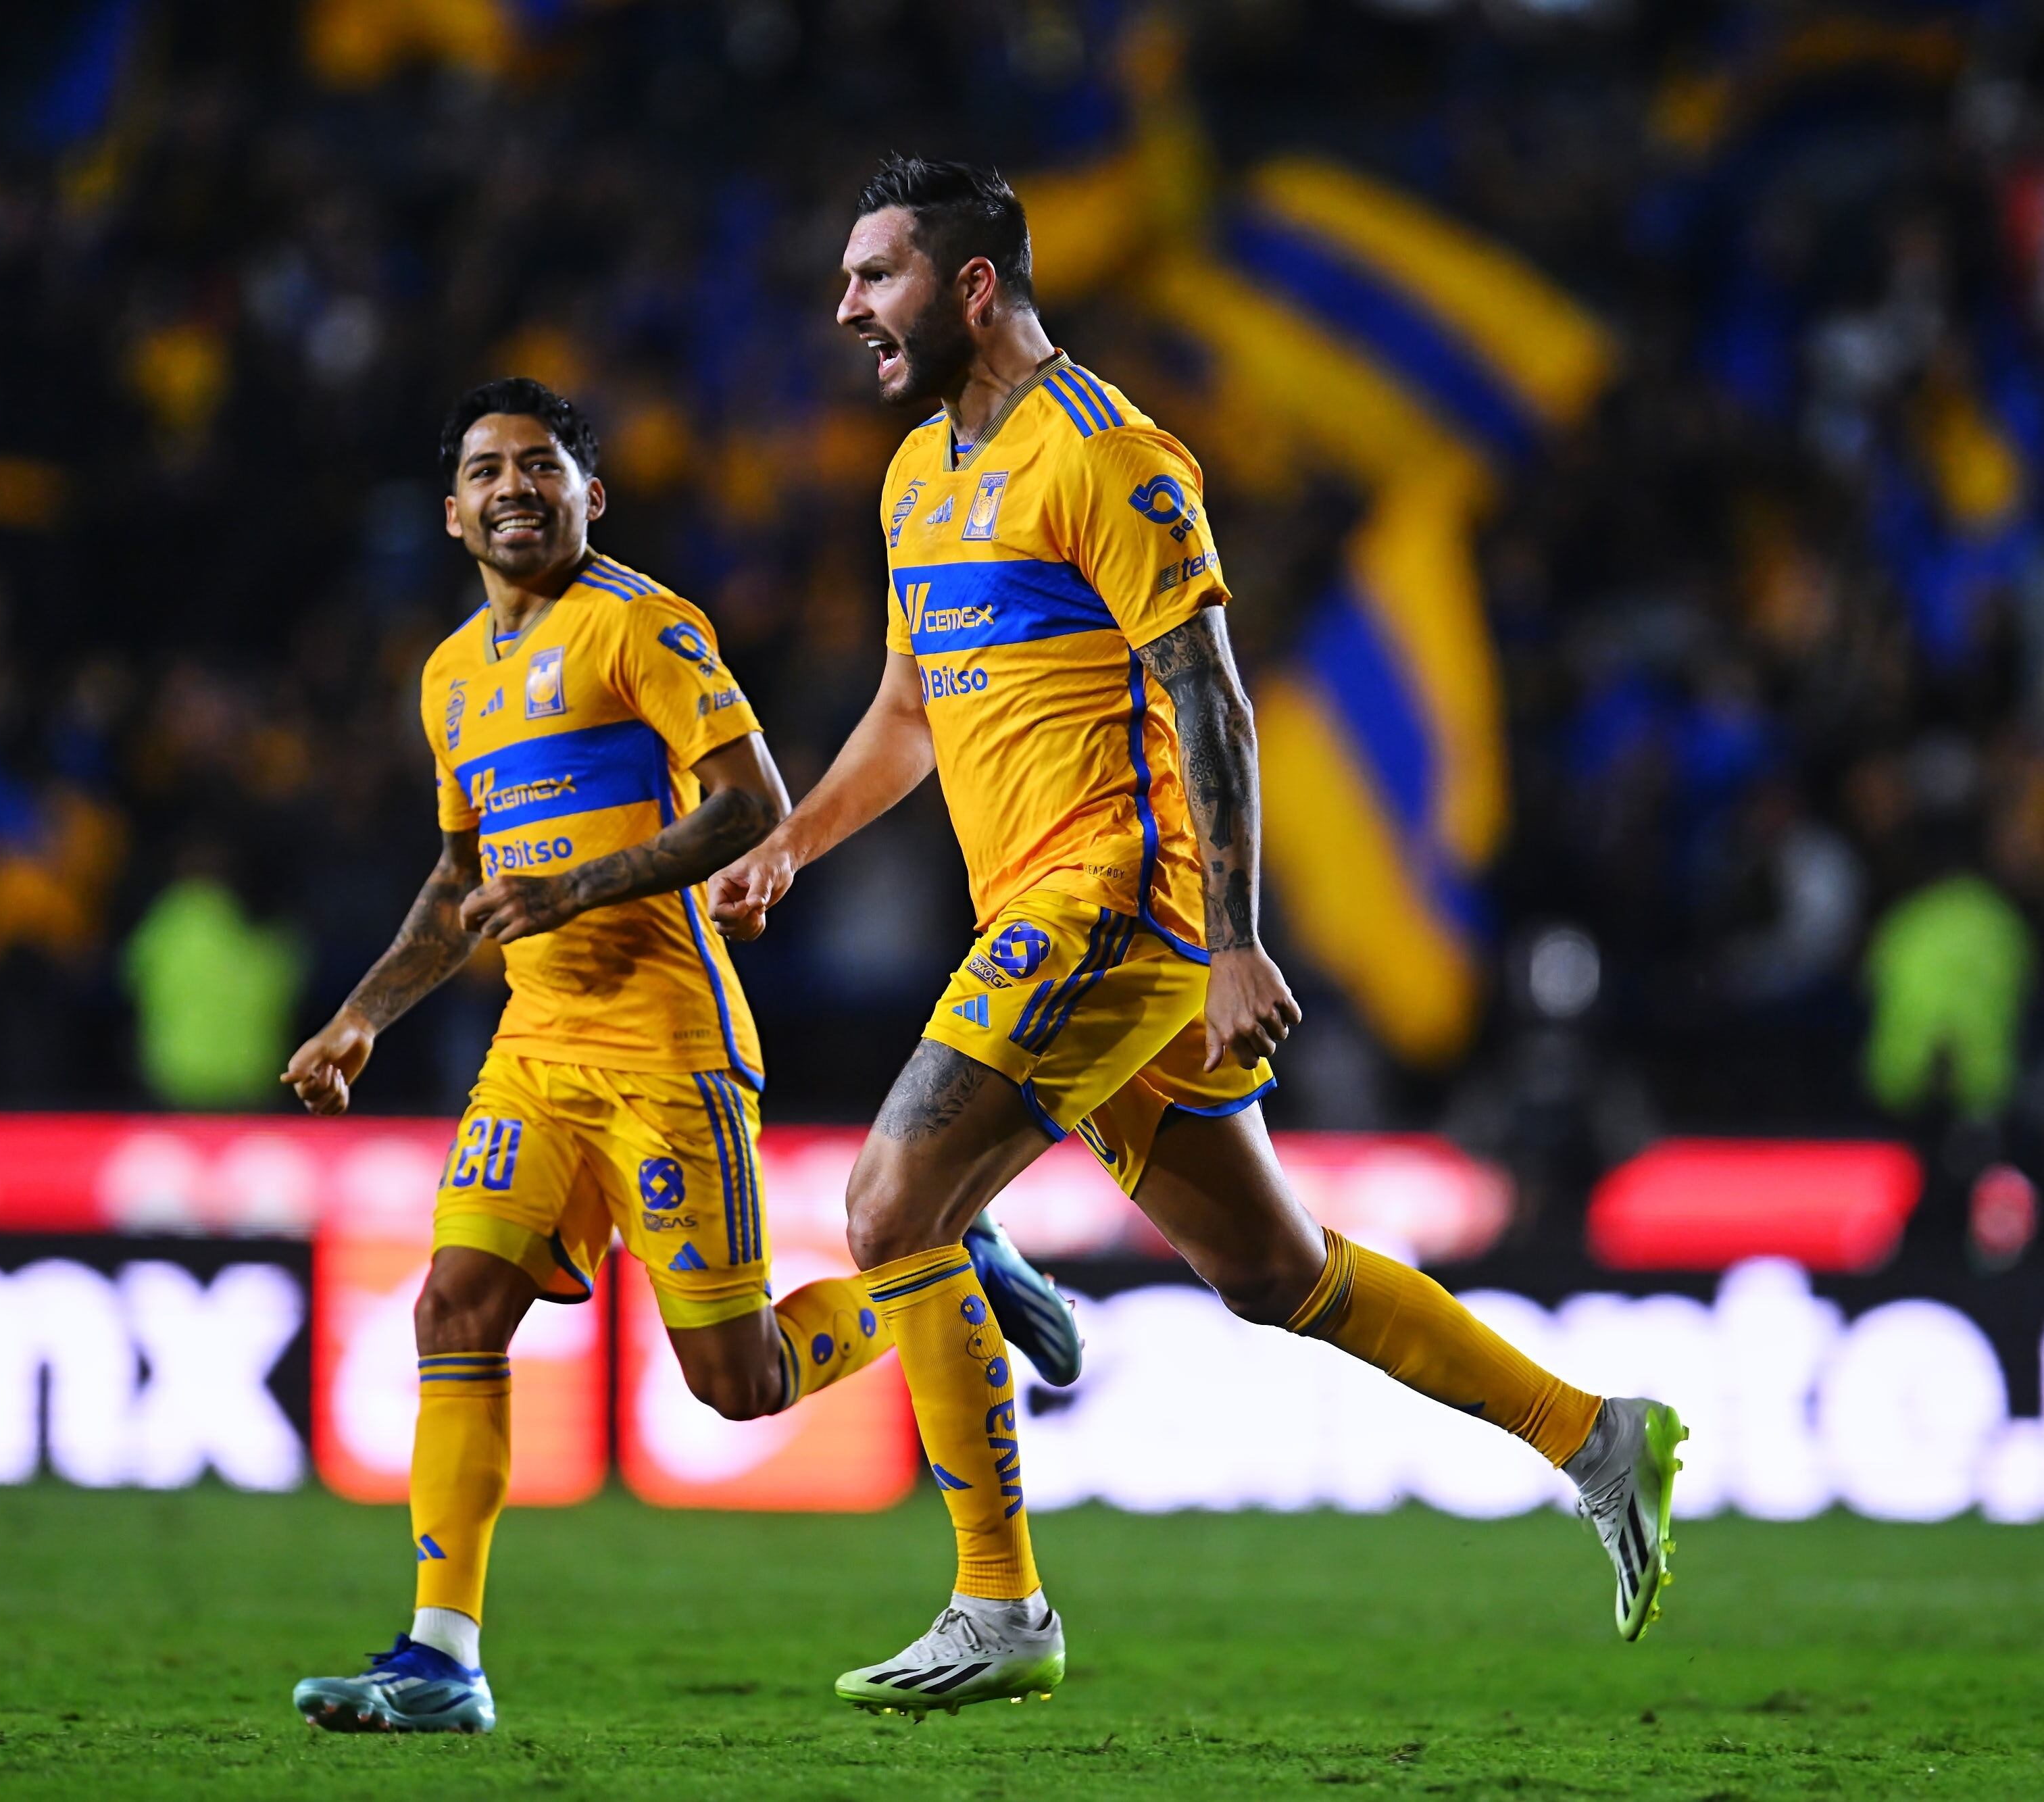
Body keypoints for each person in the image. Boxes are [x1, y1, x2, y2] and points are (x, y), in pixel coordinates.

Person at [709, 157, 1686, 1714]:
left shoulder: (1106, 454)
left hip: (1109, 905)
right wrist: (790, 842)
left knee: (889, 1208)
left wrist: (1231, 938)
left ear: (972, 287)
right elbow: (907, 712)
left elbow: (1208, 694)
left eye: (875, 275)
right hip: (1045, 915)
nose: (845, 309)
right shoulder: (914, 480)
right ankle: (1593, 1435)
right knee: (1269, 1269)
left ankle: (997, 1599)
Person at [280, 378, 1080, 1736]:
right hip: (535, 1050)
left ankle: (939, 1267)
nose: (515, 487)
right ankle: (441, 1657)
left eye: (542, 465)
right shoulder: (450, 677)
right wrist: (364, 1014)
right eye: (486, 470)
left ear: (591, 495)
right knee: (452, 1308)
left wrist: (579, 886)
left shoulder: (642, 624)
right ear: (452, 513)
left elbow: (751, 803)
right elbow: (459, 876)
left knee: (738, 1383)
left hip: (667, 1045)